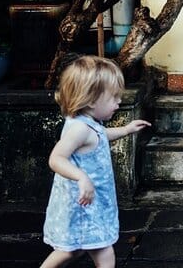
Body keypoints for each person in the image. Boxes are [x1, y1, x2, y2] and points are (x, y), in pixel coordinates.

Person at [41, 55, 151, 268]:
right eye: (114, 97)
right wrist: (82, 178)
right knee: (103, 250)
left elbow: (100, 137)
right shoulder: (79, 129)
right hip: (84, 204)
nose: (119, 102)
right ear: (91, 100)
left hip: (89, 202)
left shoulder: (89, 123)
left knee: (71, 250)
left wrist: (126, 130)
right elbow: (56, 159)